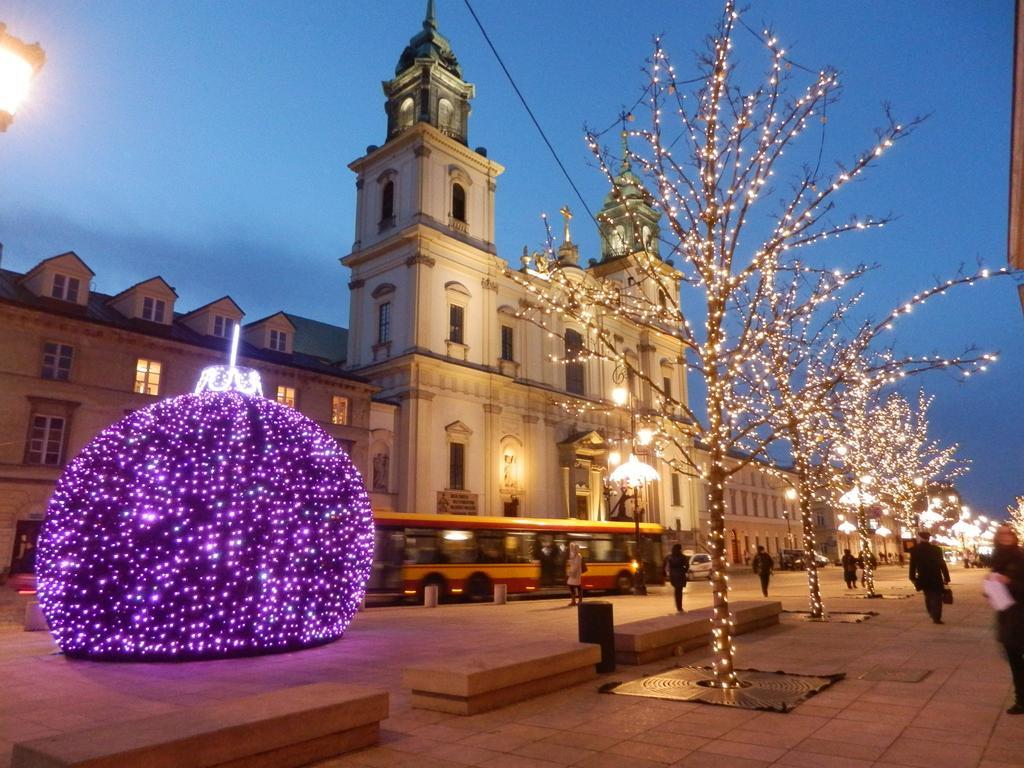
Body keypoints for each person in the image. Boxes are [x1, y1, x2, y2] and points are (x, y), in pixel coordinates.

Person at [988, 525, 1024, 714]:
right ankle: (1021, 699)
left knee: (1017, 658)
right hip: (1007, 615)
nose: (1005, 536)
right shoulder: (998, 558)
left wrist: (1009, 582)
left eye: (1008, 533)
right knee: (1014, 659)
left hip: (1021, 614)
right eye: (1001, 533)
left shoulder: (1020, 556)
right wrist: (989, 587)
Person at [908, 531, 950, 624]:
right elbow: (942, 564)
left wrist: (912, 577)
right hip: (936, 577)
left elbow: (912, 566)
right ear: (928, 538)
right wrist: (946, 577)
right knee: (937, 598)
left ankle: (931, 611)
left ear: (920, 538)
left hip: (923, 578)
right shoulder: (936, 549)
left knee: (928, 596)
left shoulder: (915, 550)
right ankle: (937, 617)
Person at [663, 544, 690, 613]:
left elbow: (664, 564)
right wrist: (684, 570)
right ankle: (679, 607)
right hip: (680, 575)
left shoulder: (669, 557)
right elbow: (687, 565)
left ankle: (678, 606)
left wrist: (665, 573)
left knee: (676, 590)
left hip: (673, 575)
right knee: (679, 591)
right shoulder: (683, 557)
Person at [566, 542, 583, 606]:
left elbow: (576, 565)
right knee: (572, 585)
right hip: (573, 573)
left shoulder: (578, 556)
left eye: (572, 548)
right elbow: (572, 563)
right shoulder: (573, 555)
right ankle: (574, 601)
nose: (571, 549)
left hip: (576, 574)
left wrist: (571, 572)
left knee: (576, 586)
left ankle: (579, 601)